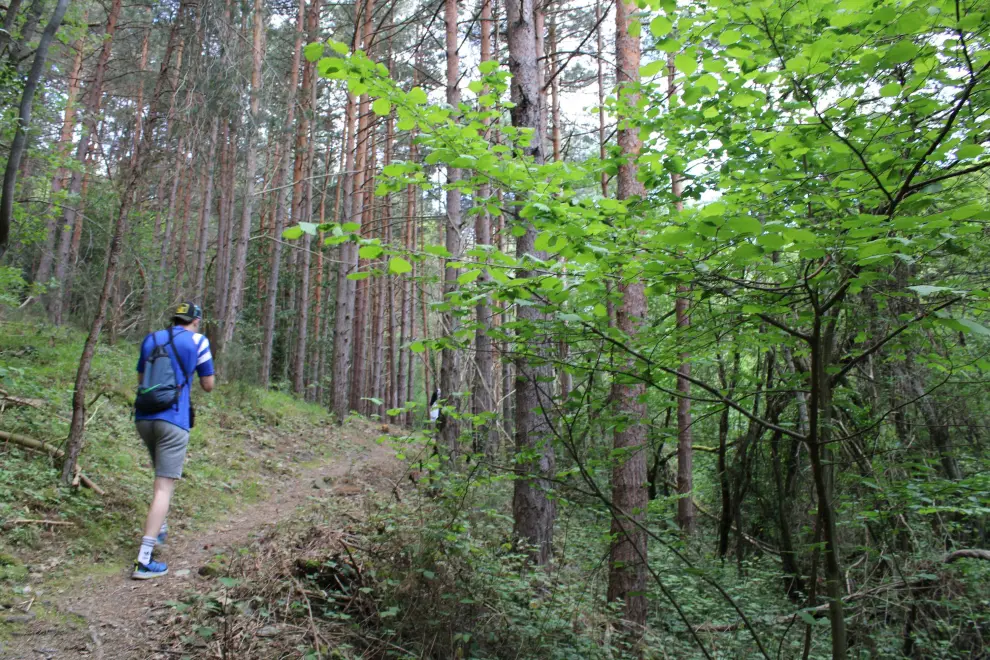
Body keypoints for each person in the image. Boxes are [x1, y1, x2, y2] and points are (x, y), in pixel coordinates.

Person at [131, 302, 214, 579]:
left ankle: (161, 527)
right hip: (173, 420)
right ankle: (145, 559)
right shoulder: (198, 341)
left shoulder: (151, 338)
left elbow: (142, 377)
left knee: (159, 480)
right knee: (163, 488)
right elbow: (208, 384)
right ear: (196, 321)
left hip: (144, 418)